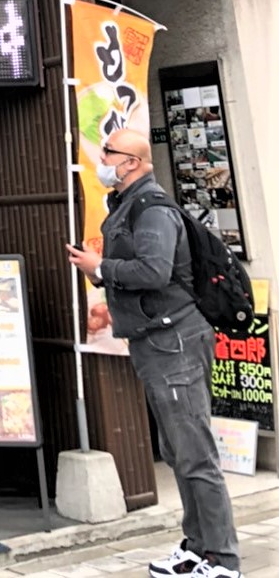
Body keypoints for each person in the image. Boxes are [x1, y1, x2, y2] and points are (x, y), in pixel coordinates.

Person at [67, 128, 242, 578]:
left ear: (131, 162)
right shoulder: (127, 205)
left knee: (195, 454)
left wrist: (102, 267)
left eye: (109, 152)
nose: (102, 158)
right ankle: (198, 549)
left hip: (175, 342)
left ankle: (222, 560)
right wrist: (99, 276)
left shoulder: (152, 209)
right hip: (157, 341)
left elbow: (155, 270)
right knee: (179, 451)